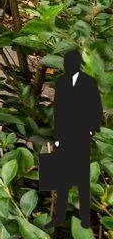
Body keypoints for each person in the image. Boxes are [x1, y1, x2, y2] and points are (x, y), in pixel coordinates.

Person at [44, 50, 103, 234]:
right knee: (62, 178)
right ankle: (59, 217)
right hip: (65, 136)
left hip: (81, 136)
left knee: (82, 178)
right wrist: (58, 138)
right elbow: (59, 112)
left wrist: (90, 130)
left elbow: (96, 109)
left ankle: (85, 219)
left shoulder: (88, 82)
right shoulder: (61, 82)